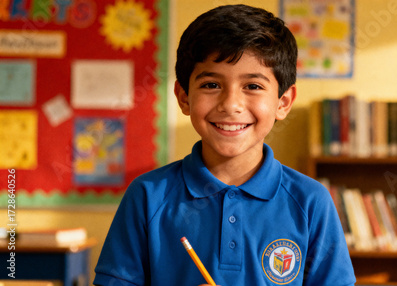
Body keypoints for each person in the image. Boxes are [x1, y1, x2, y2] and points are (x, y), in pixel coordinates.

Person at [94, 4, 356, 286]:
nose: (231, 105)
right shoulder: (148, 196)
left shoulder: (311, 202)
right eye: (211, 85)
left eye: (253, 86)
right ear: (184, 97)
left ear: (283, 102)